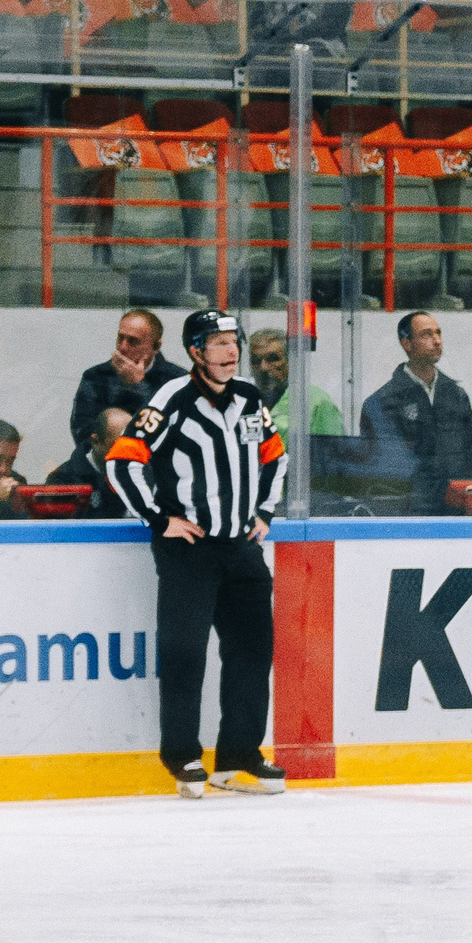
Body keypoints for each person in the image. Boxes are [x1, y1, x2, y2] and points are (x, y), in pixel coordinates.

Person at [103, 309, 288, 798]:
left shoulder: (250, 397)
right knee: (185, 653)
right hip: (189, 551)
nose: (231, 350)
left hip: (242, 547)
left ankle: (240, 754)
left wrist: (264, 512)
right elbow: (123, 463)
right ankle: (182, 753)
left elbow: (276, 456)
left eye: (234, 341)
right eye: (219, 342)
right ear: (195, 351)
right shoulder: (172, 399)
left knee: (252, 651)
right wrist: (160, 519)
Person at [359, 311, 472, 514]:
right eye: (426, 335)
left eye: (438, 333)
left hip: (457, 515)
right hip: (409, 518)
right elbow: (381, 474)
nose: (436, 341)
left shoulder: (456, 396)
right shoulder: (382, 402)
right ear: (406, 343)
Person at [71, 309, 186, 448]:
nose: (123, 347)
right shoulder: (96, 375)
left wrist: (138, 386)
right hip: (105, 460)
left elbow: (176, 433)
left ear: (156, 347)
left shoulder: (177, 380)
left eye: (133, 341)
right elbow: (81, 430)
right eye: (120, 338)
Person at [246, 327, 344, 446]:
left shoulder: (317, 402)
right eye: (256, 360)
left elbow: (333, 455)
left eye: (273, 358)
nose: (264, 367)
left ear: (289, 361)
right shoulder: (244, 401)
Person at [44, 406, 131, 518]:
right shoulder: (63, 481)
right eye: (118, 448)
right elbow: (57, 532)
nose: (126, 455)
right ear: (96, 441)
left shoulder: (142, 473)